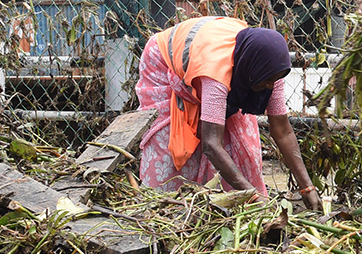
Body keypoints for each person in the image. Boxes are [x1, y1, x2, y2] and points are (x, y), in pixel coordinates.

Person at [136, 15, 321, 210]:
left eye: (273, 80)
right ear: (251, 70)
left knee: (239, 140)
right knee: (175, 142)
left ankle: (227, 203)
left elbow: (282, 130)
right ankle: (170, 207)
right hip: (165, 59)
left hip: (211, 54)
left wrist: (307, 188)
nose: (270, 86)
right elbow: (211, 144)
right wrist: (254, 197)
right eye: (267, 81)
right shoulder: (216, 73)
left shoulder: (269, 69)